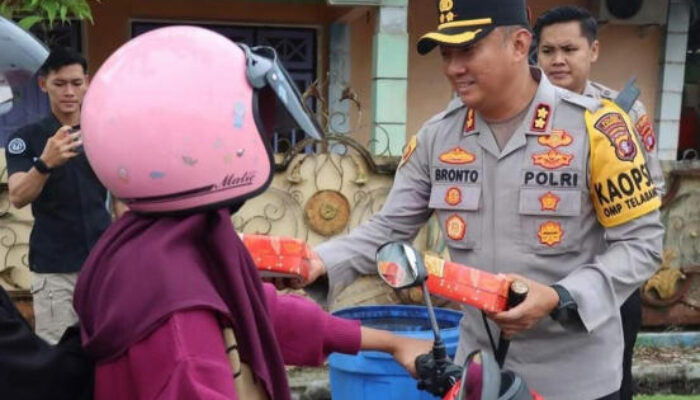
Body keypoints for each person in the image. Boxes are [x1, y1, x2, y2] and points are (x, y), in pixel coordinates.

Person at [305, 1, 665, 399]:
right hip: (478, 375)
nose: (453, 68)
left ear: (519, 44)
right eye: (446, 54)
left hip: (576, 381)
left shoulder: (596, 129)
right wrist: (319, 262)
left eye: (468, 50)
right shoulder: (437, 138)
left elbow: (641, 245)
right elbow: (389, 228)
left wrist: (559, 296)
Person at [72, 26, 430, 400]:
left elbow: (263, 311)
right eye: (256, 126)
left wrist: (391, 343)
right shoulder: (177, 311)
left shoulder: (153, 245)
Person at [533, 7, 665, 399]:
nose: (557, 60)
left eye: (569, 49)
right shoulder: (519, 111)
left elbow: (651, 187)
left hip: (609, 278)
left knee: (613, 382)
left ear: (593, 50)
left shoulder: (621, 111)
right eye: (547, 50)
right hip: (536, 275)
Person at [4, 47, 112, 344]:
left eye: (76, 83)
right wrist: (45, 162)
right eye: (59, 83)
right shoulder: (26, 138)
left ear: (87, 82)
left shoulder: (103, 132)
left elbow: (123, 199)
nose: (69, 92)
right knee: (58, 358)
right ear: (43, 84)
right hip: (54, 271)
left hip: (102, 266)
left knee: (108, 353)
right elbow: (17, 195)